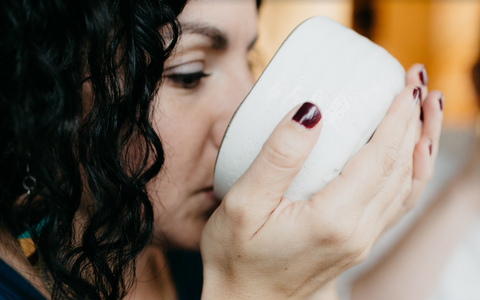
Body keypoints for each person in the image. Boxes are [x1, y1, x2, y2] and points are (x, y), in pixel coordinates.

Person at [0, 0, 444, 300]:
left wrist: (313, 272)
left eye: (250, 61)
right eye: (189, 74)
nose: (245, 108)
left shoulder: (197, 244)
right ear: (46, 93)